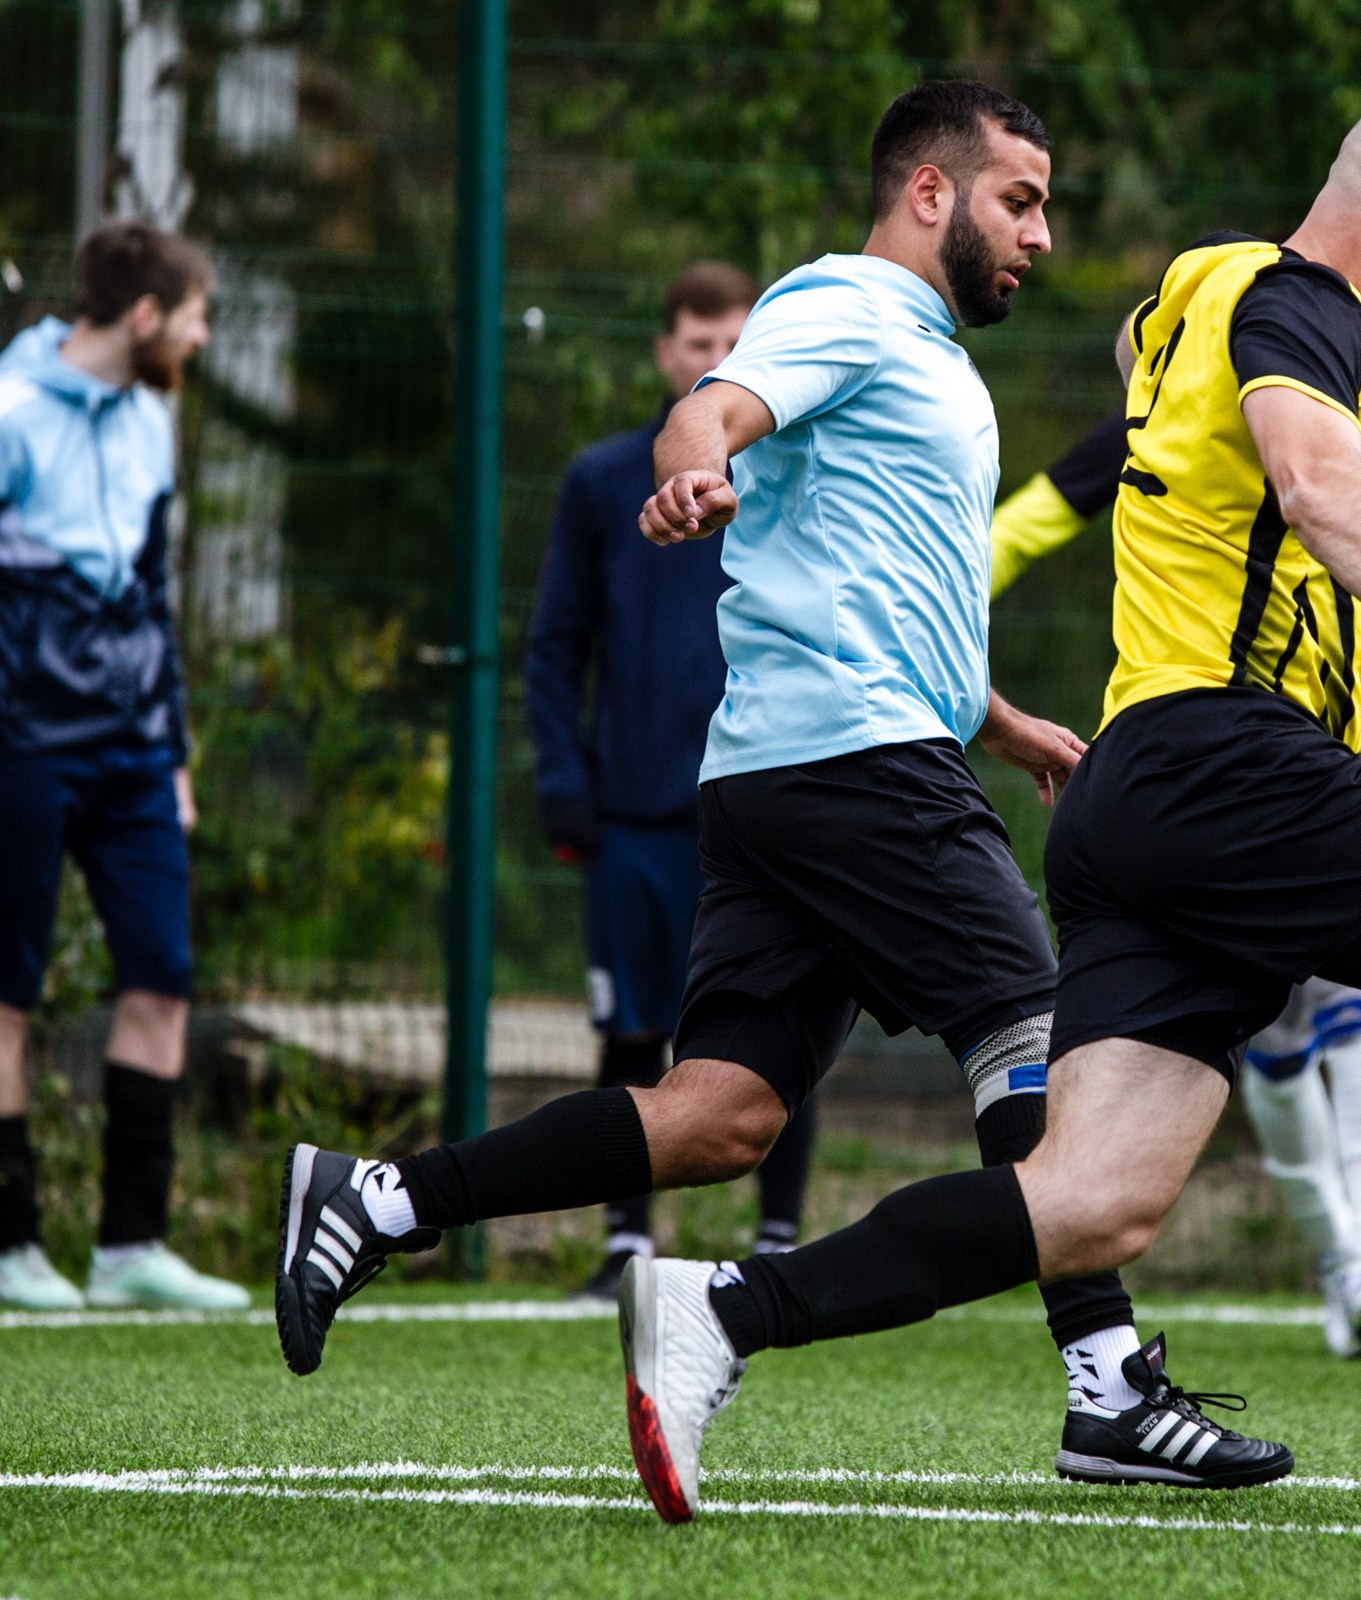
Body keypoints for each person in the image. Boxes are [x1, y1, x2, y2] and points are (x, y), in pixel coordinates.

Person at [605, 84, 1361, 1521]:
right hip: (1234, 765)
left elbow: (1258, 406)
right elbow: (1316, 484)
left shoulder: (1222, 295)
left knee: (1085, 1205)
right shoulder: (1297, 305)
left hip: (1140, 798)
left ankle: (723, 1314)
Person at [273, 80, 1289, 1507]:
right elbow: (713, 411)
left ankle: (378, 1199)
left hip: (791, 770)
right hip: (857, 768)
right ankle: (1107, 1387)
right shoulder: (848, 303)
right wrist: (694, 476)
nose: (1042, 236)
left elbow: (867, 575)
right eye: (1020, 201)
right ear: (929, 193)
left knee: (715, 1119)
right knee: (1038, 1045)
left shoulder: (928, 353)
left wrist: (1000, 723)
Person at [992, 419, 1361, 1358]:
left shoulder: (1326, 424)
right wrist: (940, 607)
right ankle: (1343, 1259)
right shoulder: (1154, 428)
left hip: (1326, 765)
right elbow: (1029, 521)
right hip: (1204, 783)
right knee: (1271, 1040)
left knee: (1358, 1010)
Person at [525, 261, 818, 1299]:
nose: (712, 362)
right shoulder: (605, 482)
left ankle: (779, 1237)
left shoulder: (786, 470)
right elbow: (556, 644)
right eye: (696, 344)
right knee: (633, 1029)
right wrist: (566, 782)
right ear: (666, 352)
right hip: (637, 814)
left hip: (761, 800)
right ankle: (625, 1244)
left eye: (731, 345)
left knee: (781, 1018)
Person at [0, 221, 246, 1312]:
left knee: (161, 976)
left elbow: (150, 591)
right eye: (193, 314)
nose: (199, 336)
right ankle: (11, 1245)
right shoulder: (9, 411)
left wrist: (175, 753)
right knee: (8, 996)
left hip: (135, 751)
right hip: (21, 743)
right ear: (145, 315)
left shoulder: (153, 418)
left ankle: (129, 1246)